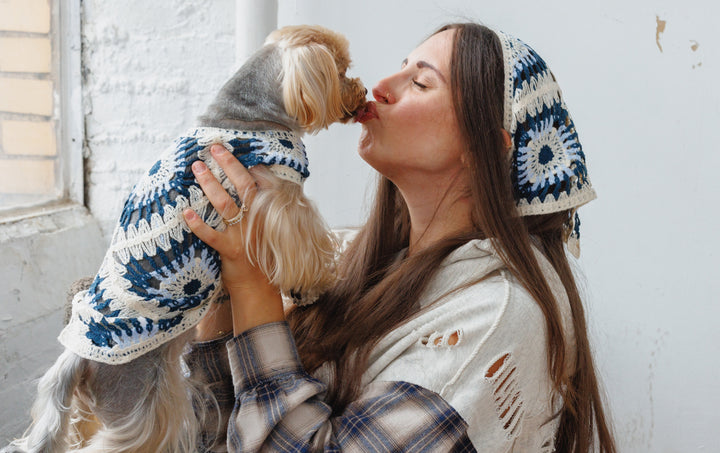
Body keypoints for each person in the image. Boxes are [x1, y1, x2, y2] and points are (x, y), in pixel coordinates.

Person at [182, 22, 616, 452]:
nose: (381, 86)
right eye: (400, 67)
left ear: (483, 146)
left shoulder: (494, 320)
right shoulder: (345, 258)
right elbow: (219, 429)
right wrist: (222, 272)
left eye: (421, 82)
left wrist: (251, 283)